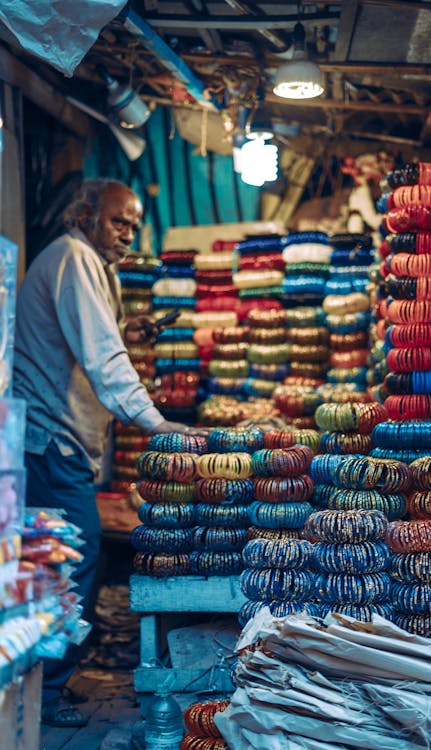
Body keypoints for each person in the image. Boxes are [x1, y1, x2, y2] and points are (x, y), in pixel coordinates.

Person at [13, 178, 208, 727]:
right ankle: (44, 691)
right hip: (49, 441)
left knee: (65, 557)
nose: (128, 233)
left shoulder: (90, 266)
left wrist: (129, 328)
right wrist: (157, 422)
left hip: (61, 441)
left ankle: (46, 683)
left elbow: (93, 338)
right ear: (85, 213)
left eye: (134, 223)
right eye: (119, 220)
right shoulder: (73, 258)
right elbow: (102, 357)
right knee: (71, 557)